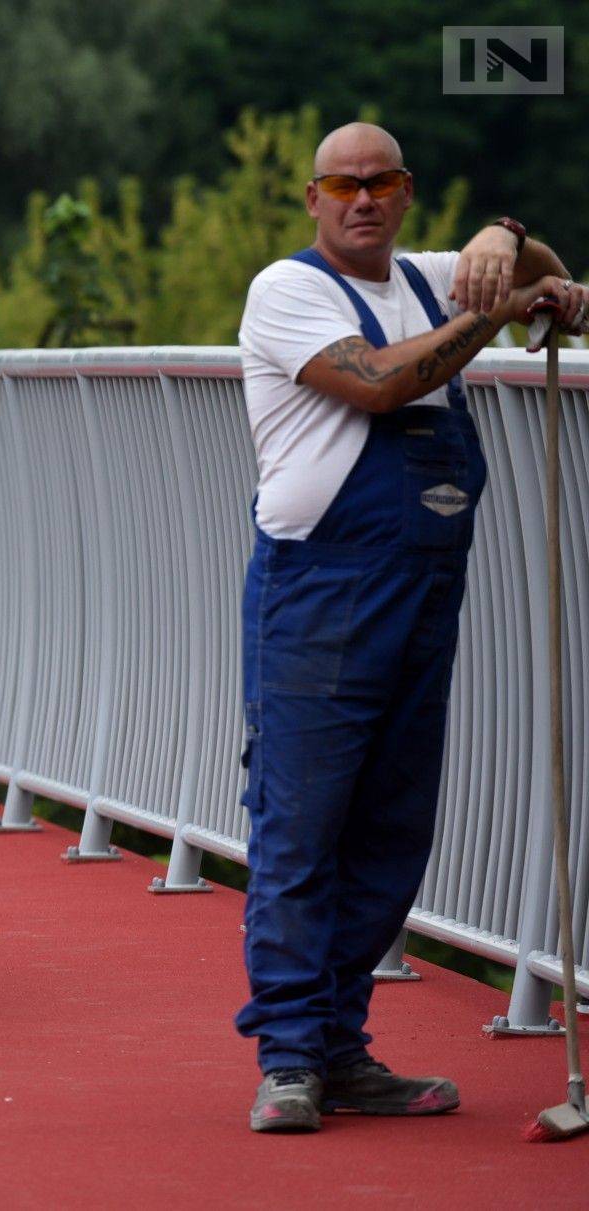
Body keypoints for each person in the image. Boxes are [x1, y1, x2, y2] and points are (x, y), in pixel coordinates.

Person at [235, 121, 588, 1133]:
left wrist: (506, 240)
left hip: (424, 589)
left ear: (404, 190)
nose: (363, 199)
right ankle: (292, 1057)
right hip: (319, 593)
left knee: (394, 828)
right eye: (343, 184)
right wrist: (494, 311)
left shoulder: (433, 277)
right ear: (313, 197)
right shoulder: (286, 290)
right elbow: (387, 381)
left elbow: (547, 270)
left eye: (381, 181)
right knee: (303, 828)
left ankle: (342, 1048)